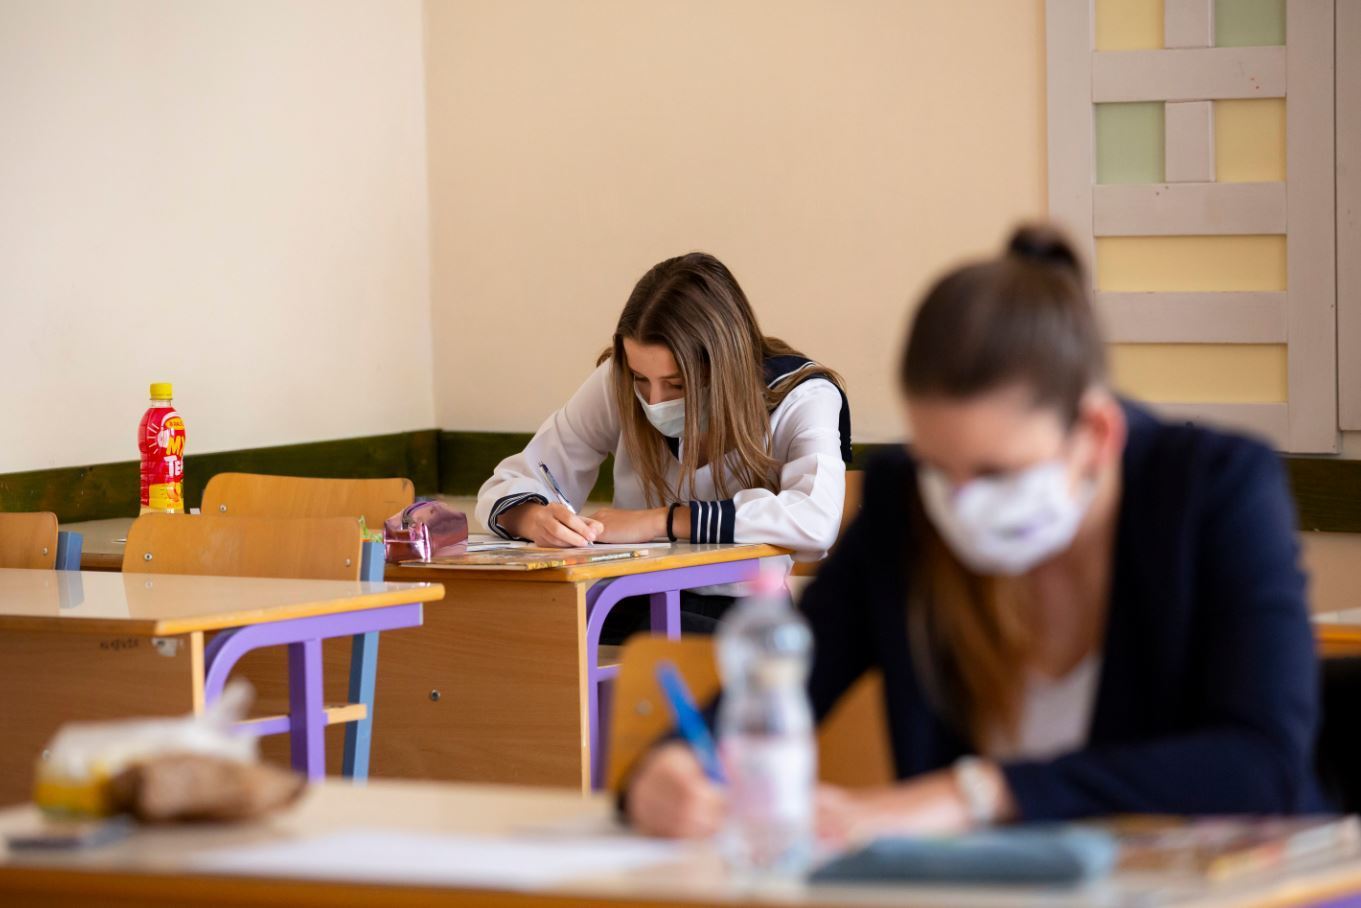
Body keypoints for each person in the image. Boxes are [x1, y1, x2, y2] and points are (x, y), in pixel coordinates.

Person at [624, 225, 1323, 839]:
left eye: (995, 472)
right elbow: (789, 673)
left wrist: (972, 794)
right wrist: (666, 771)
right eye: (938, 466)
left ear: (1096, 434)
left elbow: (1261, 764)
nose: (960, 503)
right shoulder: (906, 504)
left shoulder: (1216, 494)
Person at [476, 252, 851, 635]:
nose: (653, 401)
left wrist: (661, 521)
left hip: (742, 615)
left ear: (725, 367)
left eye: (677, 384)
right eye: (641, 379)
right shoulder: (617, 380)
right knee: (521, 632)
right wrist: (533, 518)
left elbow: (815, 522)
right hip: (628, 601)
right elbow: (512, 480)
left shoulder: (802, 396)